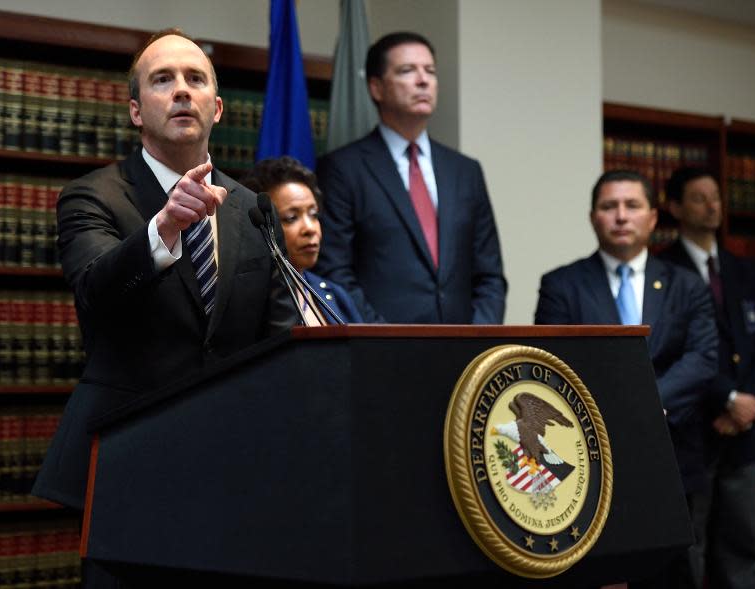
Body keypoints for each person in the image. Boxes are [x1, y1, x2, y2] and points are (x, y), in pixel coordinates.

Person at [31, 29, 295, 585]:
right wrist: (164, 227)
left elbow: (277, 344)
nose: (181, 91)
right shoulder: (93, 195)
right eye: (163, 80)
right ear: (135, 110)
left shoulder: (252, 208)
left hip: (233, 473)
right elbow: (94, 292)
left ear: (217, 108)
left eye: (195, 79)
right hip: (131, 467)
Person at [534, 169, 718, 587]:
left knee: (678, 573)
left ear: (653, 218)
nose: (620, 216)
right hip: (592, 458)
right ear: (592, 217)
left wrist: (645, 405)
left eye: (632, 206)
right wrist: (614, 413)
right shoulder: (561, 285)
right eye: (608, 206)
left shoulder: (687, 285)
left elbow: (704, 359)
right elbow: (555, 365)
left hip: (675, 455)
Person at [314, 31, 507, 324]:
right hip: (383, 351)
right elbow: (336, 271)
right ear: (376, 88)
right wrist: (383, 338)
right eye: (407, 71)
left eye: (430, 71)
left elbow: (489, 275)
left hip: (465, 353)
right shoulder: (343, 168)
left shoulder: (465, 171)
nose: (423, 80)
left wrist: (479, 336)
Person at [658, 166, 755, 589]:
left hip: (746, 426)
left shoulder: (745, 269)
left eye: (716, 196)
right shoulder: (663, 269)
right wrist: (726, 398)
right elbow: (676, 350)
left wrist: (749, 400)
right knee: (691, 542)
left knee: (742, 540)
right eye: (700, 197)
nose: (712, 205)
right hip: (695, 423)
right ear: (674, 207)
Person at [241, 156, 364, 325]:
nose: (310, 228)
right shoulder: (245, 299)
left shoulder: (336, 295)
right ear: (260, 223)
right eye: (291, 218)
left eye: (314, 215)